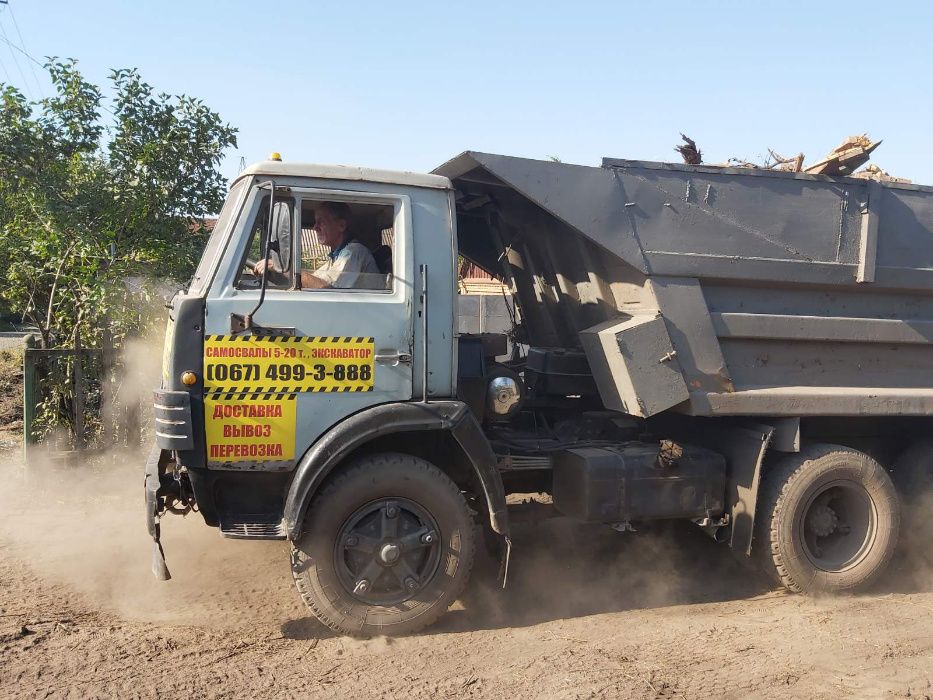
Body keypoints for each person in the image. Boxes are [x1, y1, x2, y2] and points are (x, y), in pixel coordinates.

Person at [254, 201, 380, 289]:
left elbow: (326, 288)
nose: (315, 227)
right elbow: (314, 280)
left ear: (341, 225)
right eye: (315, 222)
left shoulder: (354, 252)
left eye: (321, 222)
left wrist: (281, 267)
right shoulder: (336, 256)